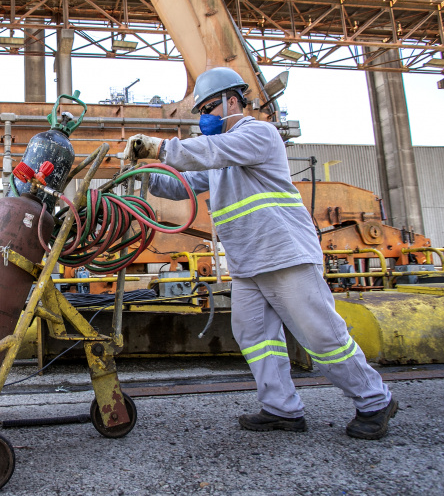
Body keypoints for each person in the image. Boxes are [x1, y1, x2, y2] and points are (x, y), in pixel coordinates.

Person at [124, 67, 398, 440]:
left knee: (320, 335)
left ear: (232, 100)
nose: (205, 116)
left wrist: (161, 148)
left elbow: (210, 151)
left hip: (283, 254)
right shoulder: (221, 157)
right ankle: (282, 409)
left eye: (209, 107)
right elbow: (183, 186)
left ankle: (374, 400)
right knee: (255, 335)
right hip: (247, 261)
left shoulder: (257, 134)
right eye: (201, 108)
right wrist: (145, 175)